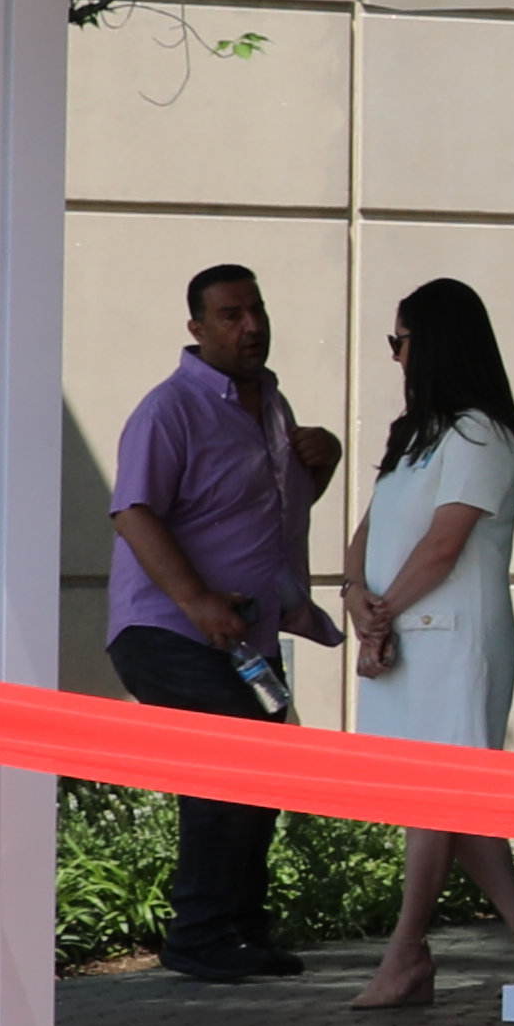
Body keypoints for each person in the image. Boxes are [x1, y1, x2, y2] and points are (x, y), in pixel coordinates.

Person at [101, 262, 342, 983]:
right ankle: (199, 934)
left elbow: (268, 512)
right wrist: (196, 600)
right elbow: (132, 511)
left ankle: (240, 929)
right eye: (232, 315)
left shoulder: (269, 402)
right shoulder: (168, 409)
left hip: (244, 638)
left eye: (257, 311)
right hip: (168, 630)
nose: (252, 327)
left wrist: (321, 461)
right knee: (225, 771)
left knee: (263, 772)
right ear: (197, 329)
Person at [338, 276, 514, 1011]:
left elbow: (444, 543)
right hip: (402, 637)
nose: (396, 356)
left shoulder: (484, 434)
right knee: (461, 808)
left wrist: (380, 614)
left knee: (438, 799)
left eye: (401, 340)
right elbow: (369, 533)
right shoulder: (417, 436)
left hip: (454, 642)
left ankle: (406, 952)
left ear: (435, 342)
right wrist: (358, 598)